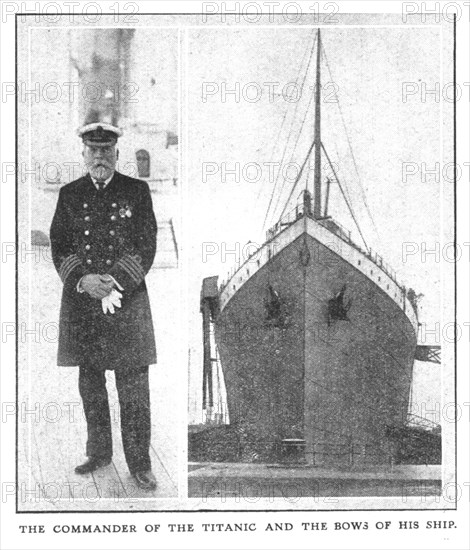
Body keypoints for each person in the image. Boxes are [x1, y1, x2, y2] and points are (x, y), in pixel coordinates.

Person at [50, 122, 158, 491]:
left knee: (134, 388)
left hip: (127, 303)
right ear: (83, 153)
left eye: (106, 151)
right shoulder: (69, 194)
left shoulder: (137, 191)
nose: (99, 157)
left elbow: (146, 246)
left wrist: (113, 280)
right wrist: (84, 279)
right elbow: (60, 246)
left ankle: (140, 464)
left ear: (117, 154)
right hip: (84, 303)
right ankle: (98, 453)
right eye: (93, 151)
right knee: (91, 384)